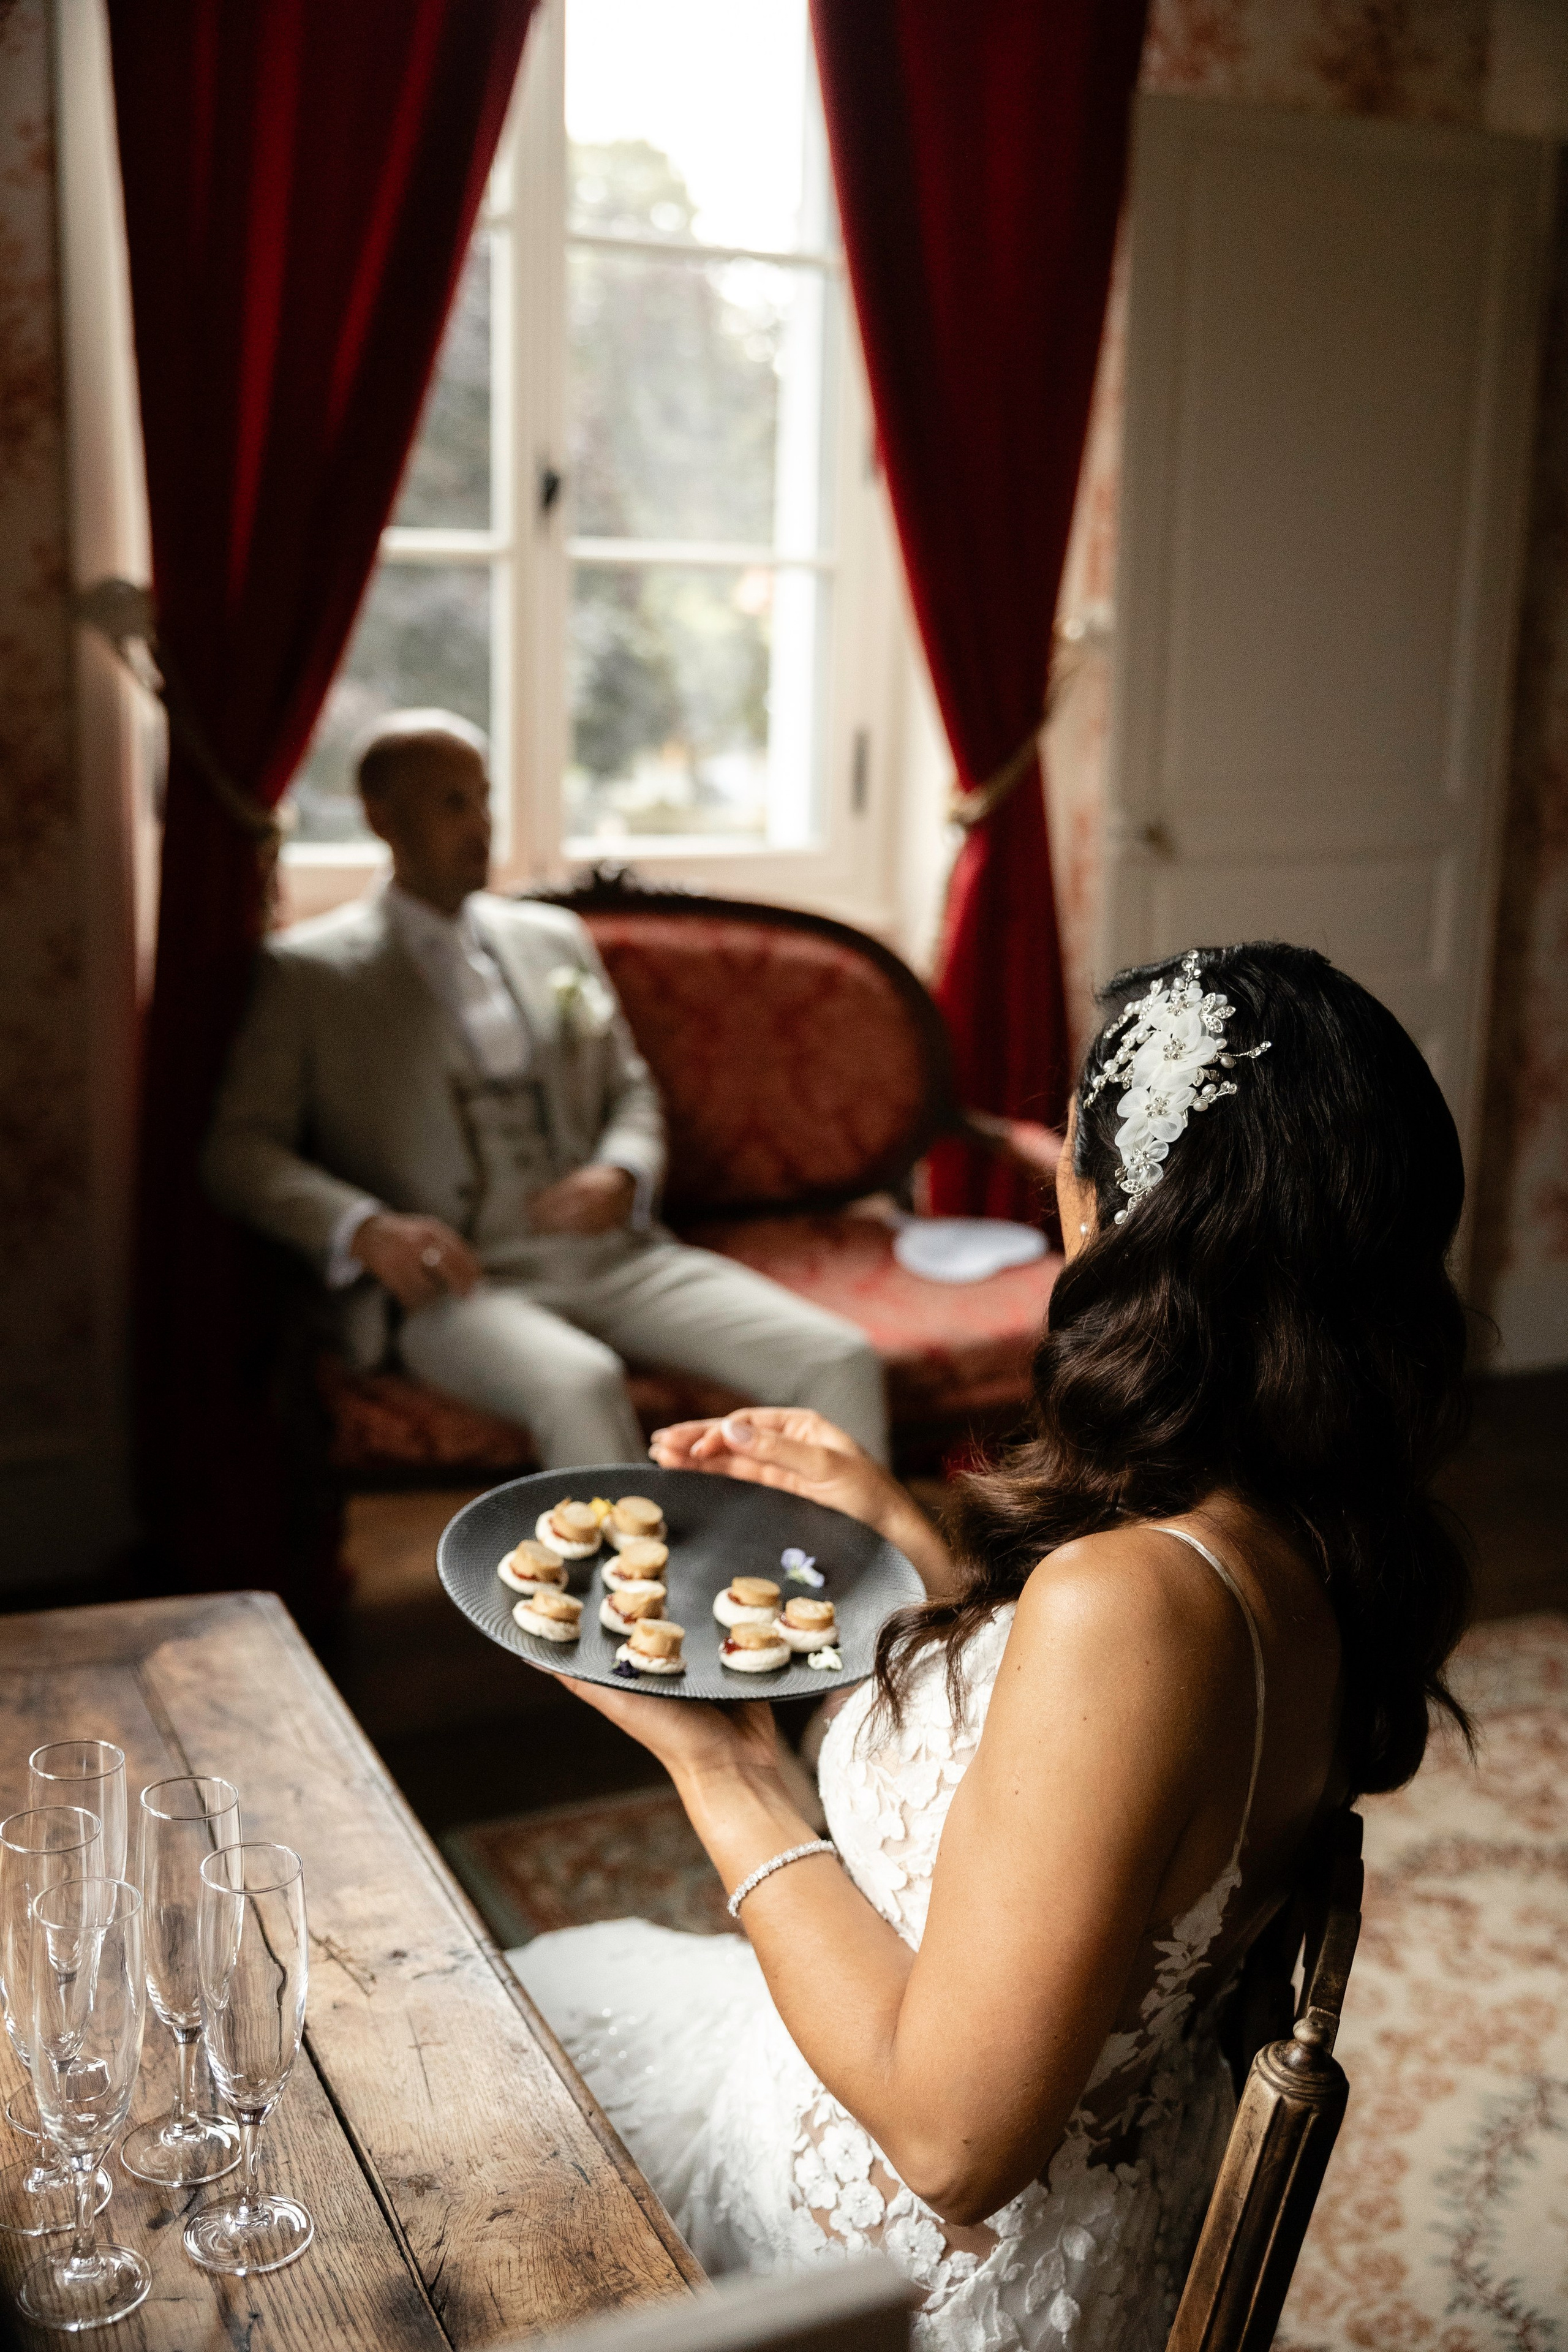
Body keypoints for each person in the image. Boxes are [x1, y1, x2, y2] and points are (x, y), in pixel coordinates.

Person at [512, 941, 1473, 2350]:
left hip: (904, 2275)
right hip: (1105, 2200)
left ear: (1116, 1217)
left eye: (1065, 1162)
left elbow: (951, 2144)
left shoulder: (1130, 1604)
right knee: (549, 1995)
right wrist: (907, 1548)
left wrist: (724, 1768)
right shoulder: (1313, 1526)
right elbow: (1117, 1764)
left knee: (479, 2059)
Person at [202, 710, 888, 1467]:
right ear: (381, 818)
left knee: (837, 1357)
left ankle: (859, 1584)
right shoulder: (310, 974)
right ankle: (623, 1589)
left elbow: (631, 1092)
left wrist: (619, 1172)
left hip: (611, 1256)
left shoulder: (551, 940)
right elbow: (238, 1150)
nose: (481, 825)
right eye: (451, 803)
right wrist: (366, 1229)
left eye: (484, 799)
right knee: (581, 1383)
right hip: (458, 1288)